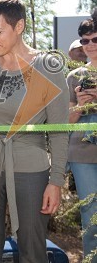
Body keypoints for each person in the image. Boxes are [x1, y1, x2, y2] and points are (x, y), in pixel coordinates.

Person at [0, 0, 69, 263]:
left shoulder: (48, 67)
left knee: (33, 249)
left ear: (19, 27)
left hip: (30, 170)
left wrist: (56, 181)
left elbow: (59, 130)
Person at [66, 18, 97, 262]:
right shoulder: (74, 77)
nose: (90, 45)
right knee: (91, 216)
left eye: (94, 39)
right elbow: (65, 121)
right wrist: (80, 105)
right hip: (82, 154)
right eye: (85, 40)